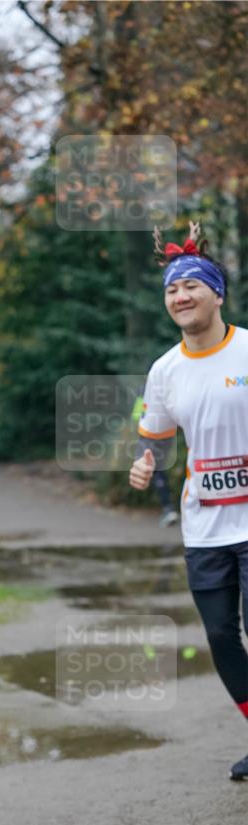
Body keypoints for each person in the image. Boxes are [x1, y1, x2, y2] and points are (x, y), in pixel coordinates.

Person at [129, 222, 248, 780]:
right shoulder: (165, 370)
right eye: (172, 289)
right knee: (221, 636)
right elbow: (155, 439)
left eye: (192, 285)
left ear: (216, 293)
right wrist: (145, 463)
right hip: (205, 529)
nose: (180, 296)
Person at [131, 388, 179, 527]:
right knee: (158, 470)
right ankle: (168, 508)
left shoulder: (144, 390)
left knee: (155, 470)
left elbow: (136, 417)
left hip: (150, 439)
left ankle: (168, 509)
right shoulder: (166, 387)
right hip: (167, 437)